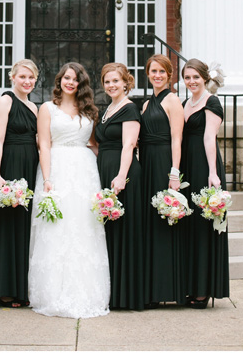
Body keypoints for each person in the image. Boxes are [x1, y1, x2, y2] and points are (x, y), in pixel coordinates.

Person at [28, 62, 110, 318]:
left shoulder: (89, 110)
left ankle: (87, 291)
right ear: (60, 80)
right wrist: (48, 177)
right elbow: (44, 145)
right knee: (56, 228)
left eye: (75, 79)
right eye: (66, 78)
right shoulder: (47, 108)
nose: (70, 82)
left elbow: (94, 144)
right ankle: (52, 293)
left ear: (81, 84)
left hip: (86, 171)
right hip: (58, 169)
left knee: (84, 227)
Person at [0, 59, 39, 308]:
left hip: (31, 167)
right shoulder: (5, 100)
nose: (27, 81)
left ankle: (23, 287)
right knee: (9, 225)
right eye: (22, 77)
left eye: (31, 78)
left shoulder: (34, 107)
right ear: (13, 77)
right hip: (11, 165)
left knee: (26, 227)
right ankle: (5, 288)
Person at [180, 59, 229, 308]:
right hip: (186, 166)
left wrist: (213, 172)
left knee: (203, 225)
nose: (191, 82)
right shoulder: (185, 102)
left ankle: (203, 289)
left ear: (204, 78)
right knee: (189, 226)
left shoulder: (211, 102)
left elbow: (210, 137)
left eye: (195, 77)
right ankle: (190, 284)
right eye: (187, 77)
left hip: (203, 165)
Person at [95, 62, 144, 310]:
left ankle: (127, 295)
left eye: (116, 81)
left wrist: (121, 176)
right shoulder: (108, 109)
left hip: (121, 176)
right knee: (108, 233)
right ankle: (111, 292)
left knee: (124, 233)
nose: (111, 85)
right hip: (105, 171)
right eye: (107, 81)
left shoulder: (129, 109)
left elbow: (129, 145)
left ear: (126, 82)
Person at [139, 54, 185, 307]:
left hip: (164, 162)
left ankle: (166, 289)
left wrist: (174, 173)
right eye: (153, 71)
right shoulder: (146, 104)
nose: (157, 76)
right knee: (150, 225)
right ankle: (151, 289)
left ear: (169, 75)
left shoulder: (172, 100)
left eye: (162, 72)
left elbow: (177, 138)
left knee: (164, 224)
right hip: (146, 164)